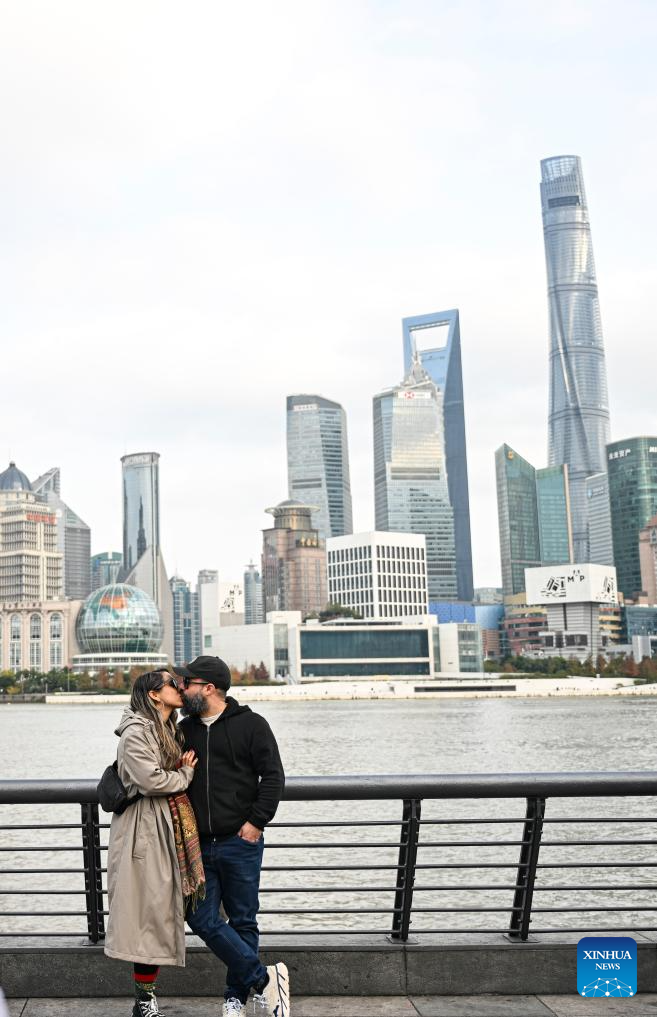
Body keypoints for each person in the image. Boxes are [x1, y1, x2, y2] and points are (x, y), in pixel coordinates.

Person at [174, 655, 289, 1017]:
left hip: (241, 842)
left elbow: (273, 777)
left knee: (243, 920)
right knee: (200, 917)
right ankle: (264, 980)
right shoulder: (183, 730)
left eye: (187, 683)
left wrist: (256, 822)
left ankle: (235, 998)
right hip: (197, 845)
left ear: (208, 688)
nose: (182, 688)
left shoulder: (252, 725)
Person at [104, 670, 204, 1017]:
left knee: (158, 913)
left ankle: (145, 1000)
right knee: (148, 915)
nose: (179, 687)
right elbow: (151, 781)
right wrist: (185, 774)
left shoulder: (169, 729)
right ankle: (145, 1001)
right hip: (144, 831)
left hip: (165, 825)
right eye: (172, 684)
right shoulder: (135, 734)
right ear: (154, 695)